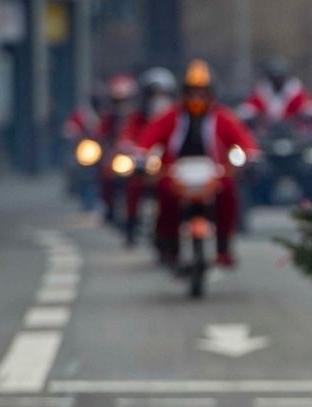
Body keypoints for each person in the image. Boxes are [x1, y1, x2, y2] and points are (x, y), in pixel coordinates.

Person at [134, 59, 258, 268]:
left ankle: (223, 246)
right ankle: (170, 244)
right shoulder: (170, 116)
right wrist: (140, 158)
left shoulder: (223, 117)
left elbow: (244, 141)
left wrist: (251, 157)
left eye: (202, 92)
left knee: (227, 190)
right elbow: (148, 138)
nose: (196, 97)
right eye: (192, 91)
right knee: (164, 192)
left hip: (212, 171)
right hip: (177, 171)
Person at [115, 68, 178, 247]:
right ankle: (131, 223)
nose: (158, 99)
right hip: (145, 164)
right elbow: (126, 136)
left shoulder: (177, 117)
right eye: (153, 94)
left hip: (168, 166)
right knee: (133, 186)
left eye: (163, 94)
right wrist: (129, 148)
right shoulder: (137, 118)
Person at [96, 73, 139, 224]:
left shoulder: (137, 117)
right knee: (104, 173)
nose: (121, 105)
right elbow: (100, 134)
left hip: (133, 156)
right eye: (117, 101)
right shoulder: (108, 118)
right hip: (114, 156)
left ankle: (138, 211)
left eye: (125, 101)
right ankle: (107, 204)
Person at [237, 56, 312, 129]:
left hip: (293, 130)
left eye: (280, 78)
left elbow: (306, 105)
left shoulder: (295, 91)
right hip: (266, 131)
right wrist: (247, 112)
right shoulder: (262, 91)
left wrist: (309, 111)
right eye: (274, 78)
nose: (277, 81)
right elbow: (251, 106)